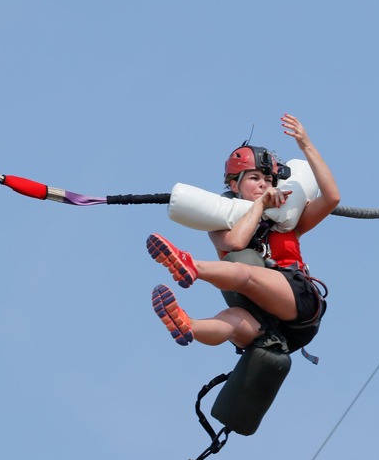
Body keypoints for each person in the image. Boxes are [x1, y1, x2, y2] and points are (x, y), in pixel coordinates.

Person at [146, 113, 340, 352]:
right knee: (232, 318)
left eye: (268, 180)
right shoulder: (220, 223)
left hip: (299, 307)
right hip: (265, 325)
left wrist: (306, 145)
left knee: (243, 271)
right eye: (255, 178)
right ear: (235, 185)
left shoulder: (290, 223)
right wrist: (260, 206)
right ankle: (188, 325)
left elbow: (332, 198)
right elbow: (236, 244)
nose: (263, 184)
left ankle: (190, 265)